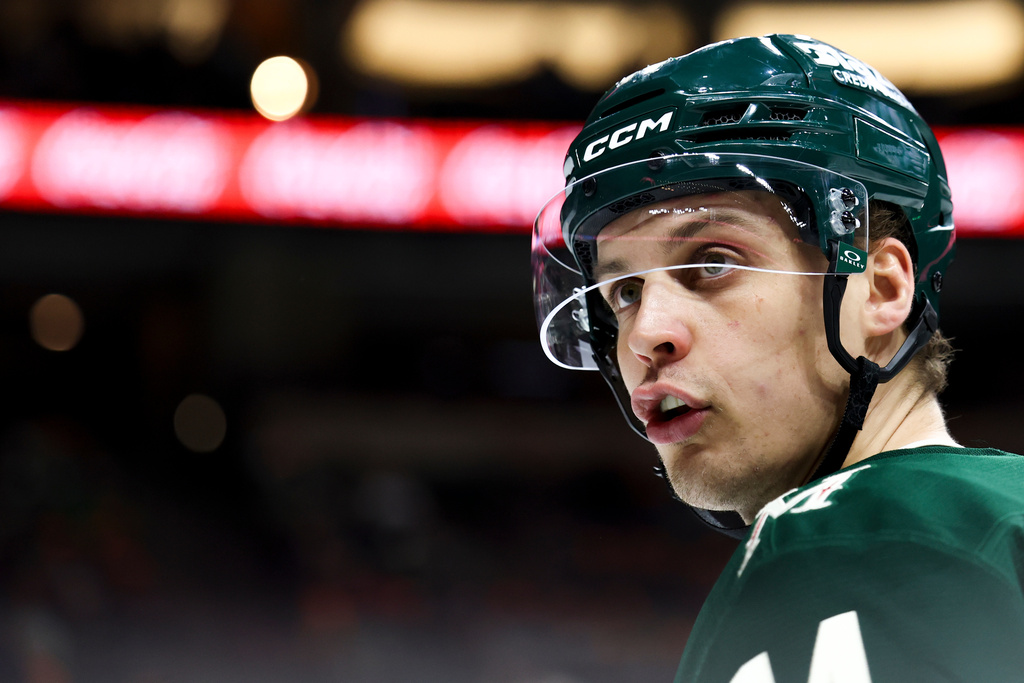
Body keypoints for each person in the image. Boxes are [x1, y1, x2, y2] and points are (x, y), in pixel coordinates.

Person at [531, 34, 1024, 681]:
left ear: (878, 288)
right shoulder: (993, 518)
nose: (645, 332)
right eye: (623, 291)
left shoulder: (854, 538)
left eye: (712, 262)